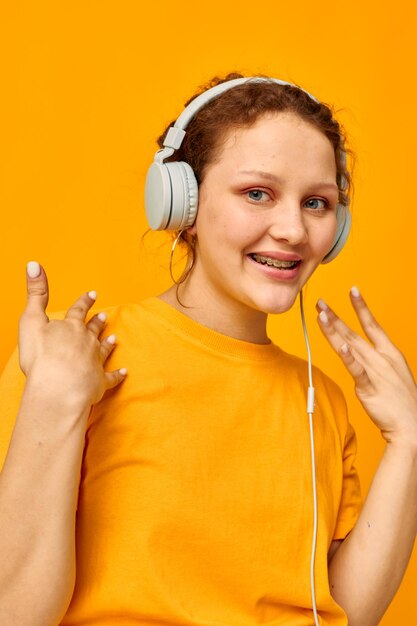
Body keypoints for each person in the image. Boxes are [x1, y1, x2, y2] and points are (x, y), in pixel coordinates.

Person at [0, 72, 416, 626]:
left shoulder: (323, 400)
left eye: (317, 203)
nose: (293, 229)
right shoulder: (74, 355)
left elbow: (343, 614)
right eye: (257, 193)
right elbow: (14, 611)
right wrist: (55, 396)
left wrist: (409, 437)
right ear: (180, 204)